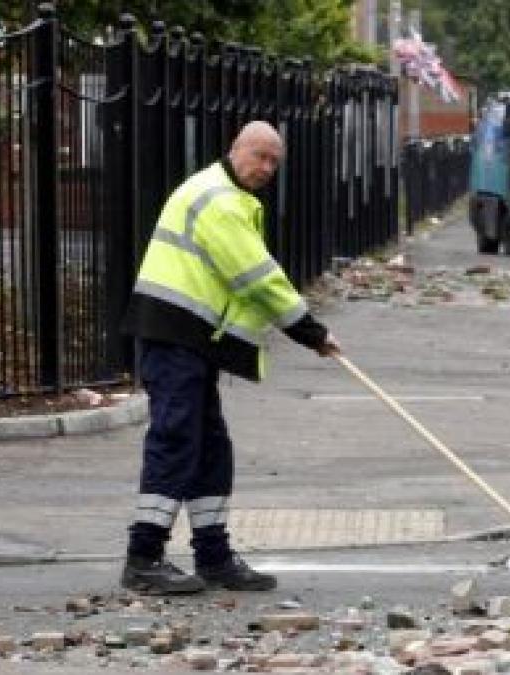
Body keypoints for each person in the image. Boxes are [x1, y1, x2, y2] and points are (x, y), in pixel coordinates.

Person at [119, 120, 340, 595]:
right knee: (177, 440)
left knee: (210, 447)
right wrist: (310, 331)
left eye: (275, 162)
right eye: (260, 156)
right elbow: (257, 277)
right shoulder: (220, 201)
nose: (266, 168)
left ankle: (214, 556)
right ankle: (143, 557)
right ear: (235, 149)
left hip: (189, 341)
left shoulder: (227, 196)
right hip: (171, 335)